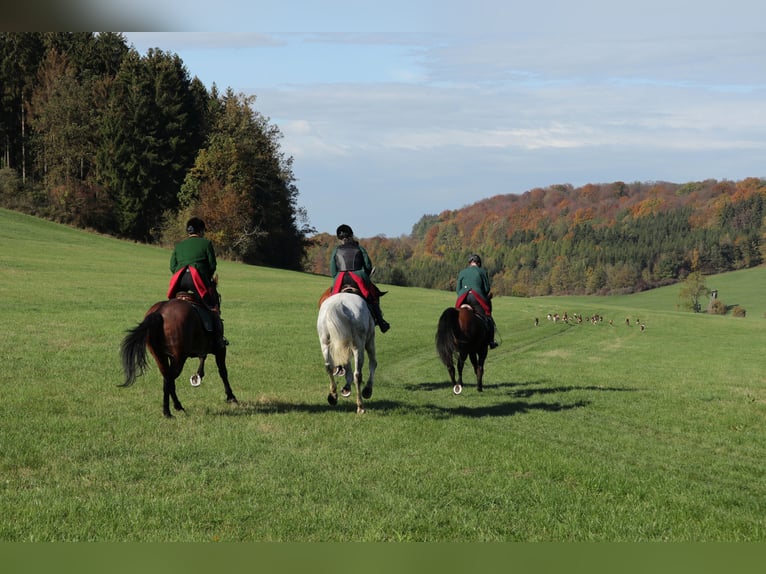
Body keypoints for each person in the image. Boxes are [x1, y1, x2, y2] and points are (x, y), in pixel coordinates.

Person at [168, 217, 228, 348]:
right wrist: (206, 277)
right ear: (201, 231)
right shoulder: (206, 243)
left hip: (179, 280)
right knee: (212, 306)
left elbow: (172, 266)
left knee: (172, 304)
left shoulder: (179, 245)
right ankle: (218, 340)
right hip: (197, 280)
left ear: (188, 231)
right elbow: (212, 265)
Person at [329, 224, 390, 333]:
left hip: (340, 278)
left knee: (330, 298)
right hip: (357, 276)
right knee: (372, 295)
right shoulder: (359, 248)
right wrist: (365, 274)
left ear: (340, 239)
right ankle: (381, 323)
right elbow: (367, 266)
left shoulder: (336, 250)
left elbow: (333, 270)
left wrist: (337, 276)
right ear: (351, 235)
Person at [456, 253, 498, 349]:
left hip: (463, 298)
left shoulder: (462, 272)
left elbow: (458, 289)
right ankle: (491, 341)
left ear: (469, 263)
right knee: (487, 315)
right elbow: (487, 289)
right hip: (476, 297)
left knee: (457, 315)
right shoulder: (482, 271)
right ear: (478, 263)